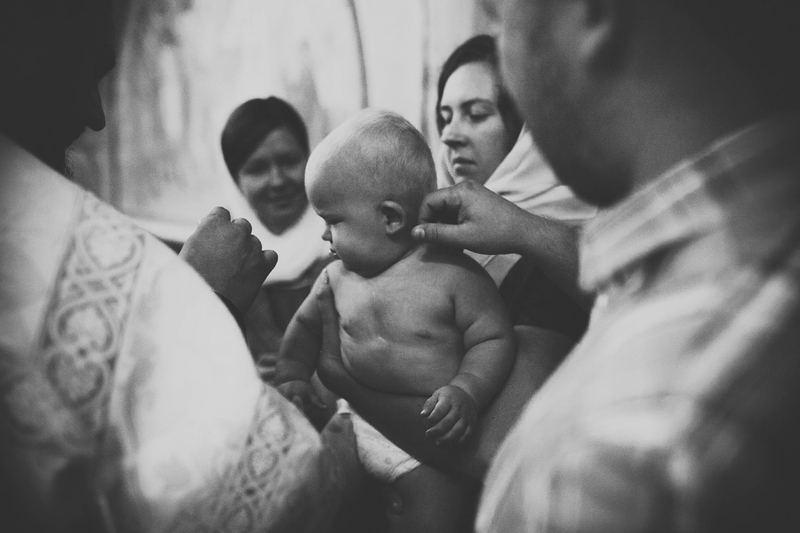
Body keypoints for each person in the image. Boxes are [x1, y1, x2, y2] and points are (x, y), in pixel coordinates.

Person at [408, 0, 800, 531]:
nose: (452, 134)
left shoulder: (603, 452)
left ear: (590, 11)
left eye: (500, 19)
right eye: (444, 118)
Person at [0, 0, 352, 530]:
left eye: (290, 161)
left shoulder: (347, 246)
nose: (97, 116)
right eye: (80, 73)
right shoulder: (94, 253)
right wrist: (206, 304)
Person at [274, 109, 515, 532]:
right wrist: (292, 375)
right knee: (312, 501)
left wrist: (467, 390)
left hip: (429, 443)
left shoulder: (452, 275)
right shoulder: (334, 278)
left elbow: (493, 337)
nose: (325, 235)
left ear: (390, 218)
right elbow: (305, 328)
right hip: (352, 422)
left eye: (332, 221)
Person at [436, 33, 595, 338]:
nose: (449, 136)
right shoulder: (428, 230)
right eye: (445, 118)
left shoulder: (566, 252)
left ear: (526, 129)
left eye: (475, 115)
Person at [221, 97, 332, 384]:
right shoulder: (221, 265)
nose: (278, 180)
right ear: (235, 180)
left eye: (289, 161)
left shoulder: (346, 245)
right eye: (257, 168)